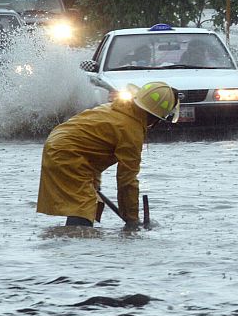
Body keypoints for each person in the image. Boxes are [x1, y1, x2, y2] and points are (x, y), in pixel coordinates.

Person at [37, 81, 179, 228]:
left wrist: (95, 183)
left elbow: (91, 148)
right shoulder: (131, 131)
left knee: (88, 201)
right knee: (83, 205)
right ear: (155, 118)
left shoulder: (118, 109)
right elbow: (127, 180)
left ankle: (71, 238)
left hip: (59, 144)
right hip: (66, 152)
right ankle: (76, 239)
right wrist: (132, 220)